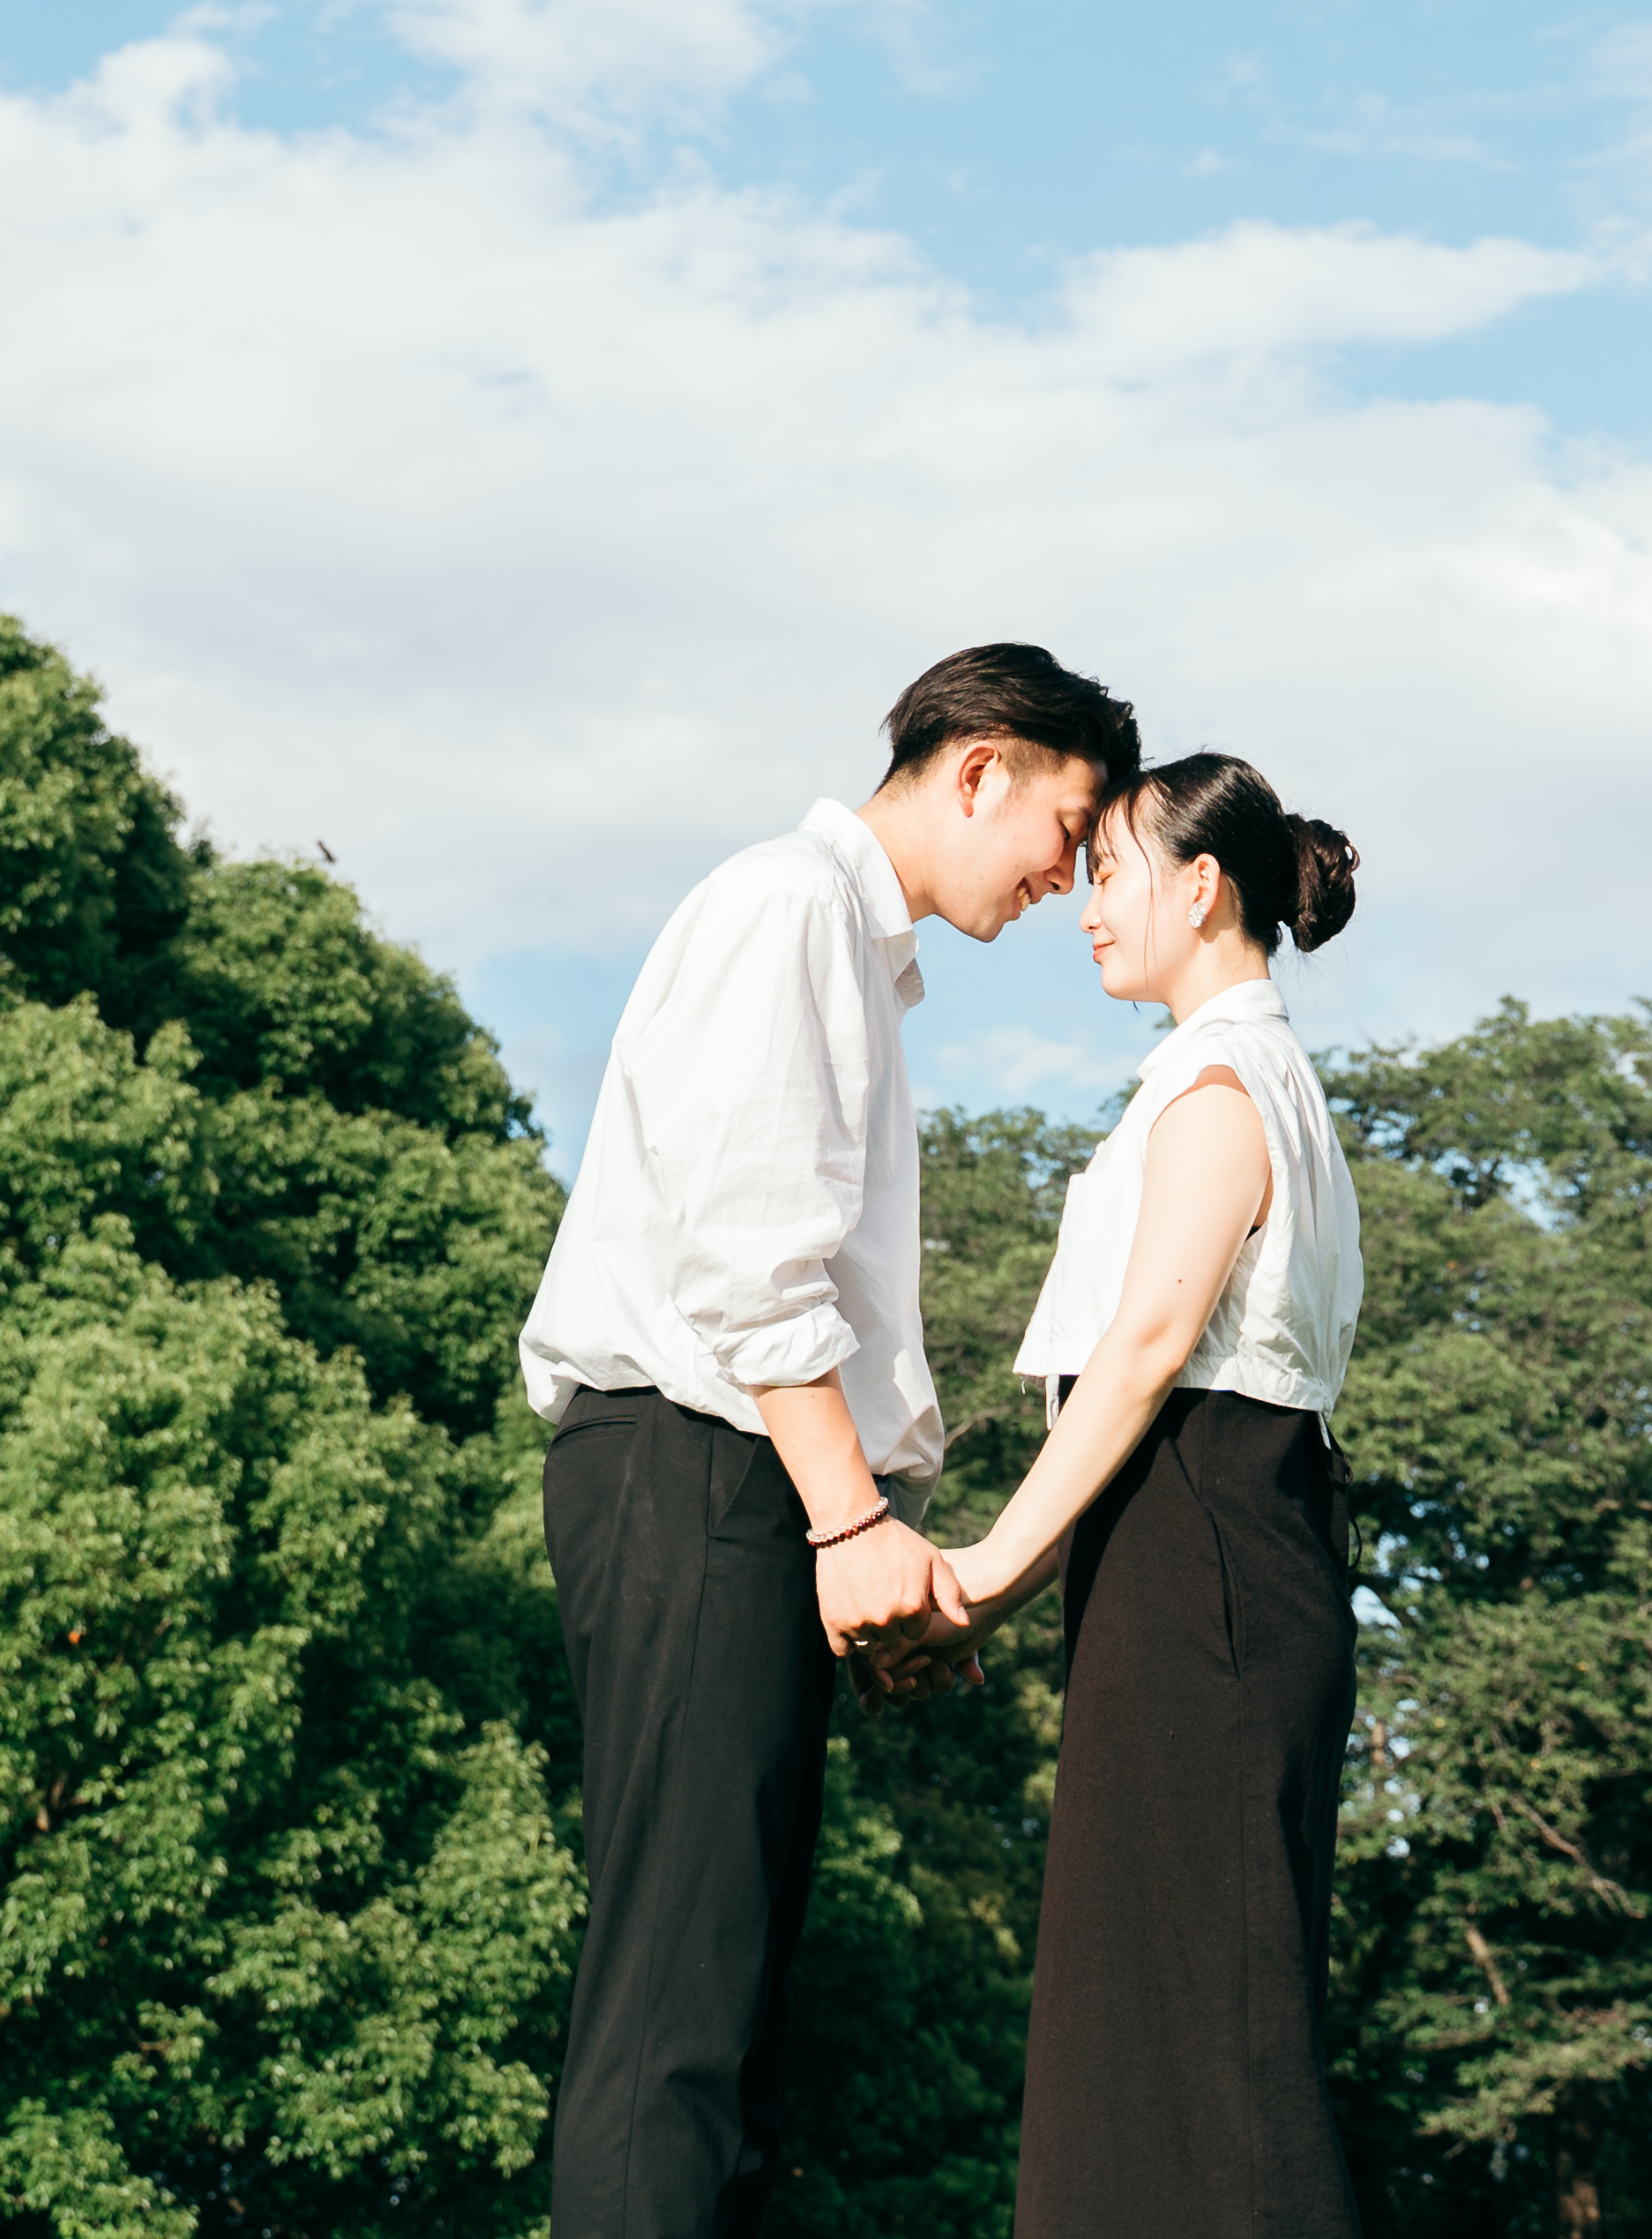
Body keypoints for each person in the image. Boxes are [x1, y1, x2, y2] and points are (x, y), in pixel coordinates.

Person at [521, 644, 1141, 2239]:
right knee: (676, 2000)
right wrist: (847, 1525)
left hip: (738, 1483)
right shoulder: (788, 906)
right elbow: (751, 1260)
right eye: (1066, 824)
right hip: (696, 1464)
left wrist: (855, 1536)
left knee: (724, 2000)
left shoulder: (845, 947)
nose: (1065, 874)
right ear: (978, 766)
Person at [936, 752, 1371, 2239]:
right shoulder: (1225, 1074)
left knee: (1210, 2039)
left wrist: (989, 1565)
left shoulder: (1221, 1081)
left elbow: (1142, 1352)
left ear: (1202, 887)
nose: (1082, 907)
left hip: (1211, 1564)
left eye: (1109, 872)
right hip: (1195, 1559)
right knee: (1155, 2021)